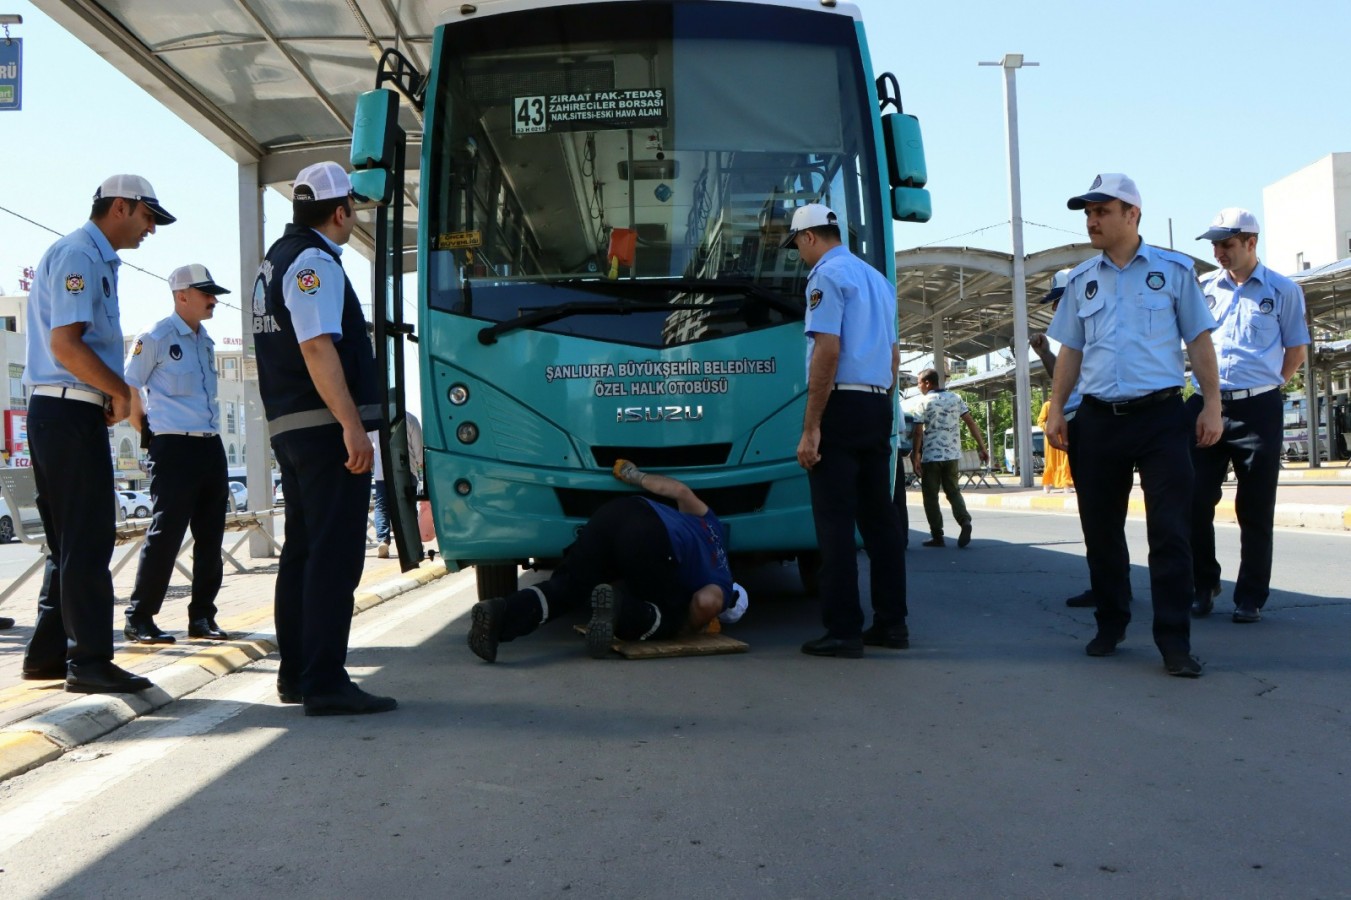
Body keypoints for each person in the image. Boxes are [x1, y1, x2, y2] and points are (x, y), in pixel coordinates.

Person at [1044, 173, 1222, 678]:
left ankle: (1173, 640)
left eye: (1102, 211)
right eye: (1088, 212)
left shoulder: (1174, 271)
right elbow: (1070, 351)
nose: (1091, 220)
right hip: (1099, 421)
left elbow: (1199, 341)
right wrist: (1058, 407)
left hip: (1163, 418)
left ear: (1133, 215)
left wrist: (1212, 404)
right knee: (1100, 530)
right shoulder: (1081, 280)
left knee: (1170, 532)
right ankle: (1111, 620)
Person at [20, 174, 175, 694]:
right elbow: (66, 347)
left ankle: (47, 654)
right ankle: (88, 663)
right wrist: (124, 393)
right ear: (121, 207)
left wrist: (110, 393)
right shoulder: (81, 257)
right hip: (66, 411)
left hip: (67, 412)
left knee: (71, 541)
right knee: (87, 540)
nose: (151, 228)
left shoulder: (95, 259)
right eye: (148, 217)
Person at [252, 160, 395, 716]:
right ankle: (325, 682)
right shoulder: (315, 261)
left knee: (304, 555)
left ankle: (298, 675)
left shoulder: (276, 261)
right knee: (333, 558)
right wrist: (352, 427)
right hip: (323, 428)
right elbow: (317, 346)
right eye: (352, 208)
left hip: (294, 427)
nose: (353, 217)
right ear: (340, 212)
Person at [467, 460, 745, 662]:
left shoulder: (712, 524)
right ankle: (617, 607)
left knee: (569, 585)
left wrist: (632, 474)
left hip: (620, 510)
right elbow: (706, 602)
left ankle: (499, 614)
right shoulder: (721, 580)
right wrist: (691, 625)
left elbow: (680, 492)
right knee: (670, 617)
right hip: (652, 537)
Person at [787, 203, 907, 658]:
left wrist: (812, 426)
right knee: (882, 523)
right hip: (878, 404)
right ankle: (893, 624)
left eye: (797, 243)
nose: (799, 252)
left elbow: (827, 352)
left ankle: (843, 630)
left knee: (834, 523)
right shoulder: (878, 280)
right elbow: (894, 357)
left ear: (810, 237)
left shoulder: (824, 277)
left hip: (841, 404)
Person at [1189, 208, 1310, 624]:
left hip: (1258, 408)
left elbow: (1295, 350)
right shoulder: (1202, 288)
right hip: (1207, 403)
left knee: (1255, 506)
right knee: (1194, 499)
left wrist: (1265, 387)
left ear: (1251, 243)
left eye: (1226, 244)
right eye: (1215, 245)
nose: (1219, 253)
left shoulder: (1283, 290)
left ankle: (1251, 595)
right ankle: (1203, 584)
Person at [122, 264, 233, 645]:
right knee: (166, 535)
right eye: (206, 293)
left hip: (209, 444)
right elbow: (130, 383)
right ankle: (140, 618)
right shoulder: (155, 336)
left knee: (211, 537)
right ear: (181, 296)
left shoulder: (205, 341)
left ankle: (202, 617)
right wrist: (146, 433)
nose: (213, 300)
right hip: (173, 445)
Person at [1030, 268, 1101, 609]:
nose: (1055, 311)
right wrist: (1045, 354)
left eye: (1057, 302)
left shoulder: (1095, 328)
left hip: (1092, 421)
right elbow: (1063, 377)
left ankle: (1110, 586)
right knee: (1095, 511)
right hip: (1079, 421)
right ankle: (1107, 583)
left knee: (1100, 510)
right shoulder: (1073, 335)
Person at [909, 368, 989, 548]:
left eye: (919, 383)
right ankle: (964, 521)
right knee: (953, 492)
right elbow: (970, 422)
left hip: (931, 457)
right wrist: (982, 447)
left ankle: (937, 536)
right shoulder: (955, 398)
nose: (918, 386)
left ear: (928, 383)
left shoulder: (923, 402)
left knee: (930, 497)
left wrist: (916, 455)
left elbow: (918, 432)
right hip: (952, 456)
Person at [370, 412, 424, 559]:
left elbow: (368, 443)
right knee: (407, 505)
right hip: (406, 471)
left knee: (382, 506)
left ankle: (383, 541)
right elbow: (418, 447)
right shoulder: (410, 419)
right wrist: (421, 465)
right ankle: (410, 542)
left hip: (382, 473)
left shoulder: (376, 418)